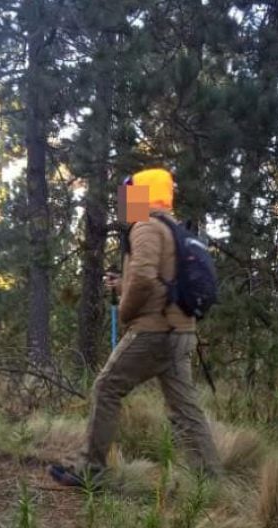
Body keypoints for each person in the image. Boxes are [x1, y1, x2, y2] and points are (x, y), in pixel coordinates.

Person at [49, 168, 219, 488]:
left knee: (106, 387)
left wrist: (126, 311)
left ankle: (91, 469)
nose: (125, 202)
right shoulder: (173, 228)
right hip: (182, 332)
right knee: (185, 410)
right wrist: (121, 286)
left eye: (130, 195)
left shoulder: (146, 226)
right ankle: (210, 482)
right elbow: (156, 280)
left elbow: (142, 279)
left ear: (142, 194)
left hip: (154, 331)